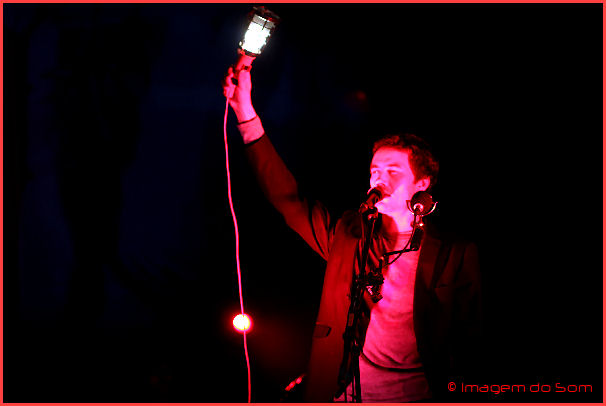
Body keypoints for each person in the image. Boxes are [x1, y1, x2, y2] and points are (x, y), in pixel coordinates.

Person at [222, 66, 481, 402]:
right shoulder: (349, 235)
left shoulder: (455, 253)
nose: (379, 178)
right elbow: (289, 200)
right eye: (375, 171)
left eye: (393, 171)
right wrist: (245, 113)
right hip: (345, 393)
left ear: (422, 184)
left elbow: (472, 337)